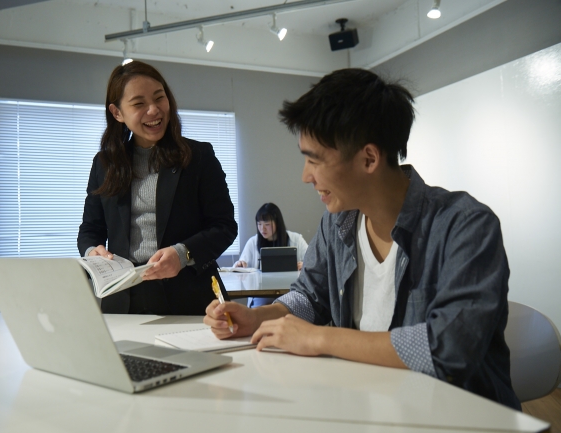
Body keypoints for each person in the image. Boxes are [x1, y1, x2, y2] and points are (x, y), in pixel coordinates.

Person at [204, 68, 520, 409]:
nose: (305, 176)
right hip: (365, 406)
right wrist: (258, 318)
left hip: (456, 416)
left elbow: (447, 348)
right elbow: (310, 297)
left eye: (314, 159)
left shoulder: (465, 226)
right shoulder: (336, 224)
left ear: (369, 158)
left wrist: (321, 338)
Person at [78, 60, 237, 316]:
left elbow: (224, 226)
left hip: (190, 298)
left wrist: (182, 254)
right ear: (117, 113)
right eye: (139, 104)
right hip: (122, 300)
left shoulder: (198, 156)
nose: (154, 110)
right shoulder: (105, 164)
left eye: (159, 98)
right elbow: (90, 229)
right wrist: (92, 251)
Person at [234, 203, 308, 307]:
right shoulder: (253, 242)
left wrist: (304, 265)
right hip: (261, 295)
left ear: (277, 223)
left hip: (291, 293)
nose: (262, 229)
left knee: (290, 311)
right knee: (261, 312)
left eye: (267, 224)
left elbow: (313, 264)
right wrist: (240, 265)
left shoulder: (296, 240)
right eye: (259, 224)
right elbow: (240, 268)